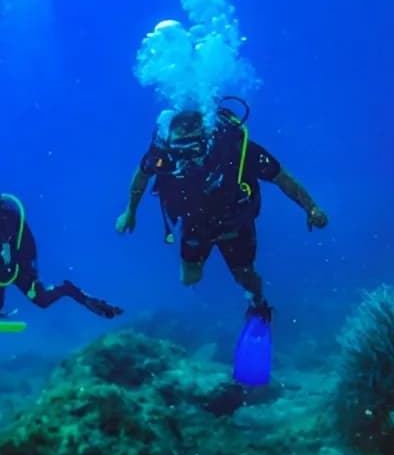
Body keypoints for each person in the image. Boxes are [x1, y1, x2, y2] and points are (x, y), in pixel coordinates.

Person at [115, 104, 329, 322]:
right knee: (188, 277)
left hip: (235, 222)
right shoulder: (163, 155)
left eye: (193, 150)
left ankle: (257, 303)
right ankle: (200, 303)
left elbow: (282, 178)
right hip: (195, 223)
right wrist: (129, 211)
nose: (186, 158)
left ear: (207, 140)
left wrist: (310, 207)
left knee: (244, 274)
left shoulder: (236, 149)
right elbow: (141, 176)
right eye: (180, 150)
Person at [0, 179, 124, 322]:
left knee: (43, 301)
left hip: (16, 266)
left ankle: (70, 290)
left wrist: (28, 272)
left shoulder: (8, 215)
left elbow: (24, 247)